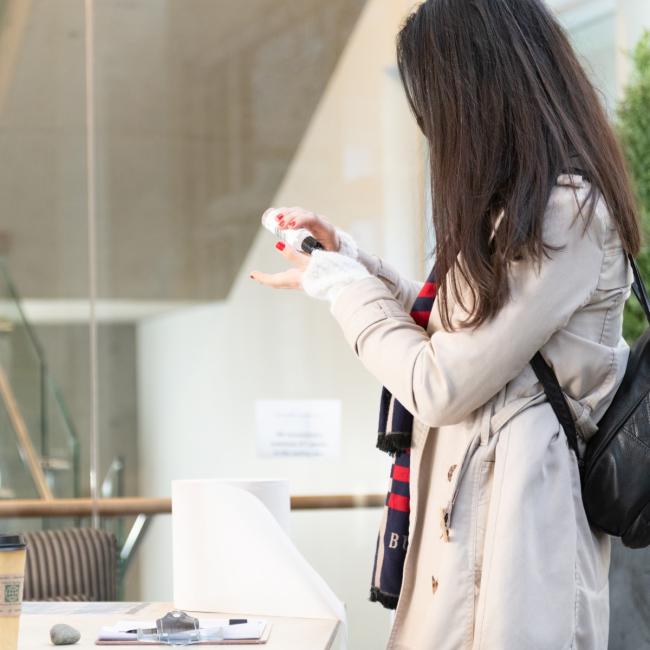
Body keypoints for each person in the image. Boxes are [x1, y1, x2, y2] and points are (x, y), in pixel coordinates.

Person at [249, 0, 641, 648]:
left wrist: (345, 288)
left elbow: (440, 383)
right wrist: (348, 260)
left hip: (518, 552)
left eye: (436, 104)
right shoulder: (524, 208)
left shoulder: (566, 214)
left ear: (479, 95)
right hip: (479, 535)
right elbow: (462, 332)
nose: (434, 129)